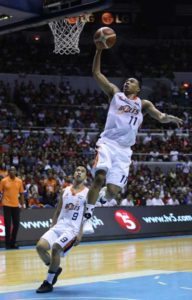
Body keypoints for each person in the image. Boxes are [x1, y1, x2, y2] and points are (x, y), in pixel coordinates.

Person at [83, 46, 183, 234]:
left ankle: (101, 198)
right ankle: (87, 217)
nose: (126, 83)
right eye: (126, 81)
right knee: (99, 177)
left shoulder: (143, 104)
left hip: (124, 151)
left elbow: (160, 117)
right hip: (108, 144)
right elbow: (96, 73)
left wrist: (170, 117)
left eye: (131, 81)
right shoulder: (115, 94)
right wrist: (98, 50)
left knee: (112, 192)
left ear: (138, 87)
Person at [36, 165, 88, 293]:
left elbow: (86, 215)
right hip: (59, 226)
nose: (79, 172)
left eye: (82, 171)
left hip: (72, 230)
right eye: (77, 170)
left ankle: (48, 282)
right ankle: (54, 269)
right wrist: (53, 224)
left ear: (85, 176)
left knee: (55, 248)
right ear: (74, 174)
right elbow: (59, 209)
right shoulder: (65, 190)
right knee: (40, 247)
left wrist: (80, 233)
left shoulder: (87, 193)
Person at [0, 166, 24, 249]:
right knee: (7, 225)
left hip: (16, 205)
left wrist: (23, 204)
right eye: (10, 170)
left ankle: (12, 243)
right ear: (8, 172)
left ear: (15, 171)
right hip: (6, 205)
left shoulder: (19, 181)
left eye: (13, 170)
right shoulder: (4, 181)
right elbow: (0, 192)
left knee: (16, 225)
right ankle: (7, 244)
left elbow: (21, 193)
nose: (12, 171)